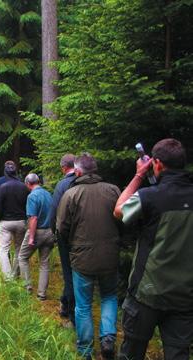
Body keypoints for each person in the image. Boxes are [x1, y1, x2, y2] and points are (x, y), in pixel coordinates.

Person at [113, 138, 193, 360]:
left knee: (132, 352)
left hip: (146, 292)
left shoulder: (149, 196)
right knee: (178, 354)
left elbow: (119, 210)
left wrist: (139, 175)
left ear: (156, 163)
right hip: (185, 295)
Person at [56, 153, 121, 360]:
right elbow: (122, 220)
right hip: (110, 256)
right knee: (109, 296)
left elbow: (61, 228)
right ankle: (108, 337)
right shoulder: (113, 190)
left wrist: (71, 245)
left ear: (77, 171)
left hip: (81, 258)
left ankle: (85, 350)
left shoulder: (71, 194)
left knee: (83, 305)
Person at [18, 173, 55, 300]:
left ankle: (26, 287)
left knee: (22, 258)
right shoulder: (48, 194)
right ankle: (41, 294)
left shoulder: (32, 196)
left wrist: (31, 237)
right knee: (44, 263)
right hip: (50, 231)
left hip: (37, 231)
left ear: (28, 183)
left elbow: (33, 218)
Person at [50, 154, 76, 324]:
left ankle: (71, 314)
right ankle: (66, 303)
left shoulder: (62, 185)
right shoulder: (101, 184)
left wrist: (55, 233)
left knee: (70, 274)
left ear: (64, 167)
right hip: (90, 236)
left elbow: (54, 211)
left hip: (67, 236)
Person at [0, 162, 29, 280]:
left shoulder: (3, 187)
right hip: (21, 221)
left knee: (3, 249)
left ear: (5, 172)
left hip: (6, 222)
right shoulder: (24, 187)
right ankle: (15, 274)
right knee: (19, 248)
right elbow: (27, 205)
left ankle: (8, 277)